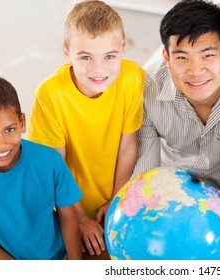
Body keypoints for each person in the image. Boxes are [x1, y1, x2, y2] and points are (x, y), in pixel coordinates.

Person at [132, 0, 220, 256]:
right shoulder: (146, 90)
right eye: (181, 57)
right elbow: (144, 179)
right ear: (166, 57)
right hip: (171, 194)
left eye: (208, 55)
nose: (195, 71)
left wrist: (207, 242)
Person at [27, 0, 144, 259]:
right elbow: (52, 167)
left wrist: (116, 201)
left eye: (109, 56)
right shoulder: (51, 94)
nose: (98, 68)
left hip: (116, 199)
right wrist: (78, 218)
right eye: (85, 57)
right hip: (68, 207)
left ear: (124, 49)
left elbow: (128, 145)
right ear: (67, 53)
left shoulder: (132, 77)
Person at [0, 75, 83, 260]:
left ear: (22, 122)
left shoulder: (49, 161)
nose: (0, 144)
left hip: (59, 256)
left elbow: (68, 216)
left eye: (9, 129)